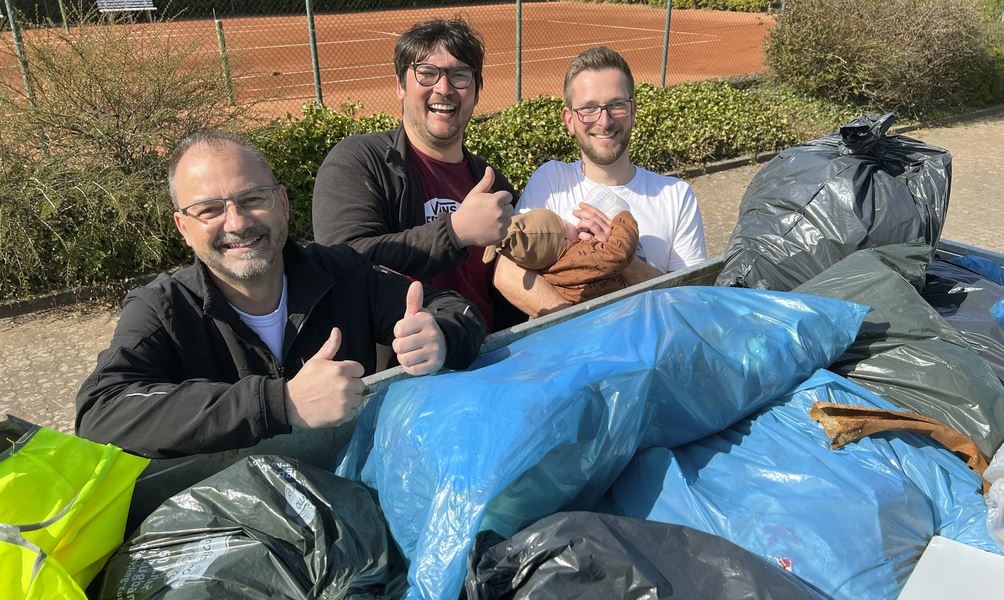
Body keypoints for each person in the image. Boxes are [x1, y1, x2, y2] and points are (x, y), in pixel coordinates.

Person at [75, 131, 486, 459]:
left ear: (283, 203)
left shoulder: (343, 272)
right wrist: (280, 403)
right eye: (209, 210)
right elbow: (101, 411)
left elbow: (457, 311)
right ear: (183, 227)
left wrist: (441, 335)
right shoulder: (162, 309)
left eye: (253, 199)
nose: (236, 223)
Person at [311, 16, 520, 332]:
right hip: (403, 358)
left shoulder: (492, 184)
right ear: (400, 85)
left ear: (477, 92)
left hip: (490, 355)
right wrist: (455, 232)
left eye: (460, 75)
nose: (444, 88)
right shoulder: (359, 161)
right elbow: (342, 263)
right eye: (427, 73)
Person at [495, 47, 707, 316]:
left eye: (617, 105)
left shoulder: (676, 195)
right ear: (569, 120)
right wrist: (583, 326)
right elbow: (506, 273)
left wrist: (622, 260)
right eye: (589, 108)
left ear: (633, 110)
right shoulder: (551, 180)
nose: (604, 121)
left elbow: (691, 300)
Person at [482, 205, 640, 305]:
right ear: (564, 239)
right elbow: (618, 253)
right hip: (620, 307)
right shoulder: (578, 255)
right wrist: (622, 219)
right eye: (563, 222)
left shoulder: (546, 271)